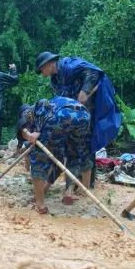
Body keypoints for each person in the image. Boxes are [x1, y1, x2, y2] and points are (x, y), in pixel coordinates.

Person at [35, 52, 121, 192]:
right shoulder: (55, 80)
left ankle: (89, 183)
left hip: (89, 108)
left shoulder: (69, 65)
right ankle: (74, 182)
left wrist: (85, 91)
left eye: (41, 70)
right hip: (73, 113)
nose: (43, 74)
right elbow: (63, 97)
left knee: (87, 142)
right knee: (73, 145)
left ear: (47, 64)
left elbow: (94, 72)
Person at [17, 97, 91, 213]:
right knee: (72, 155)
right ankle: (68, 192)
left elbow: (42, 102)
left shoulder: (27, 112)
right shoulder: (53, 104)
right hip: (84, 115)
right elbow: (57, 160)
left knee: (39, 158)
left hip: (60, 116)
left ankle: (40, 204)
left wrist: (33, 133)